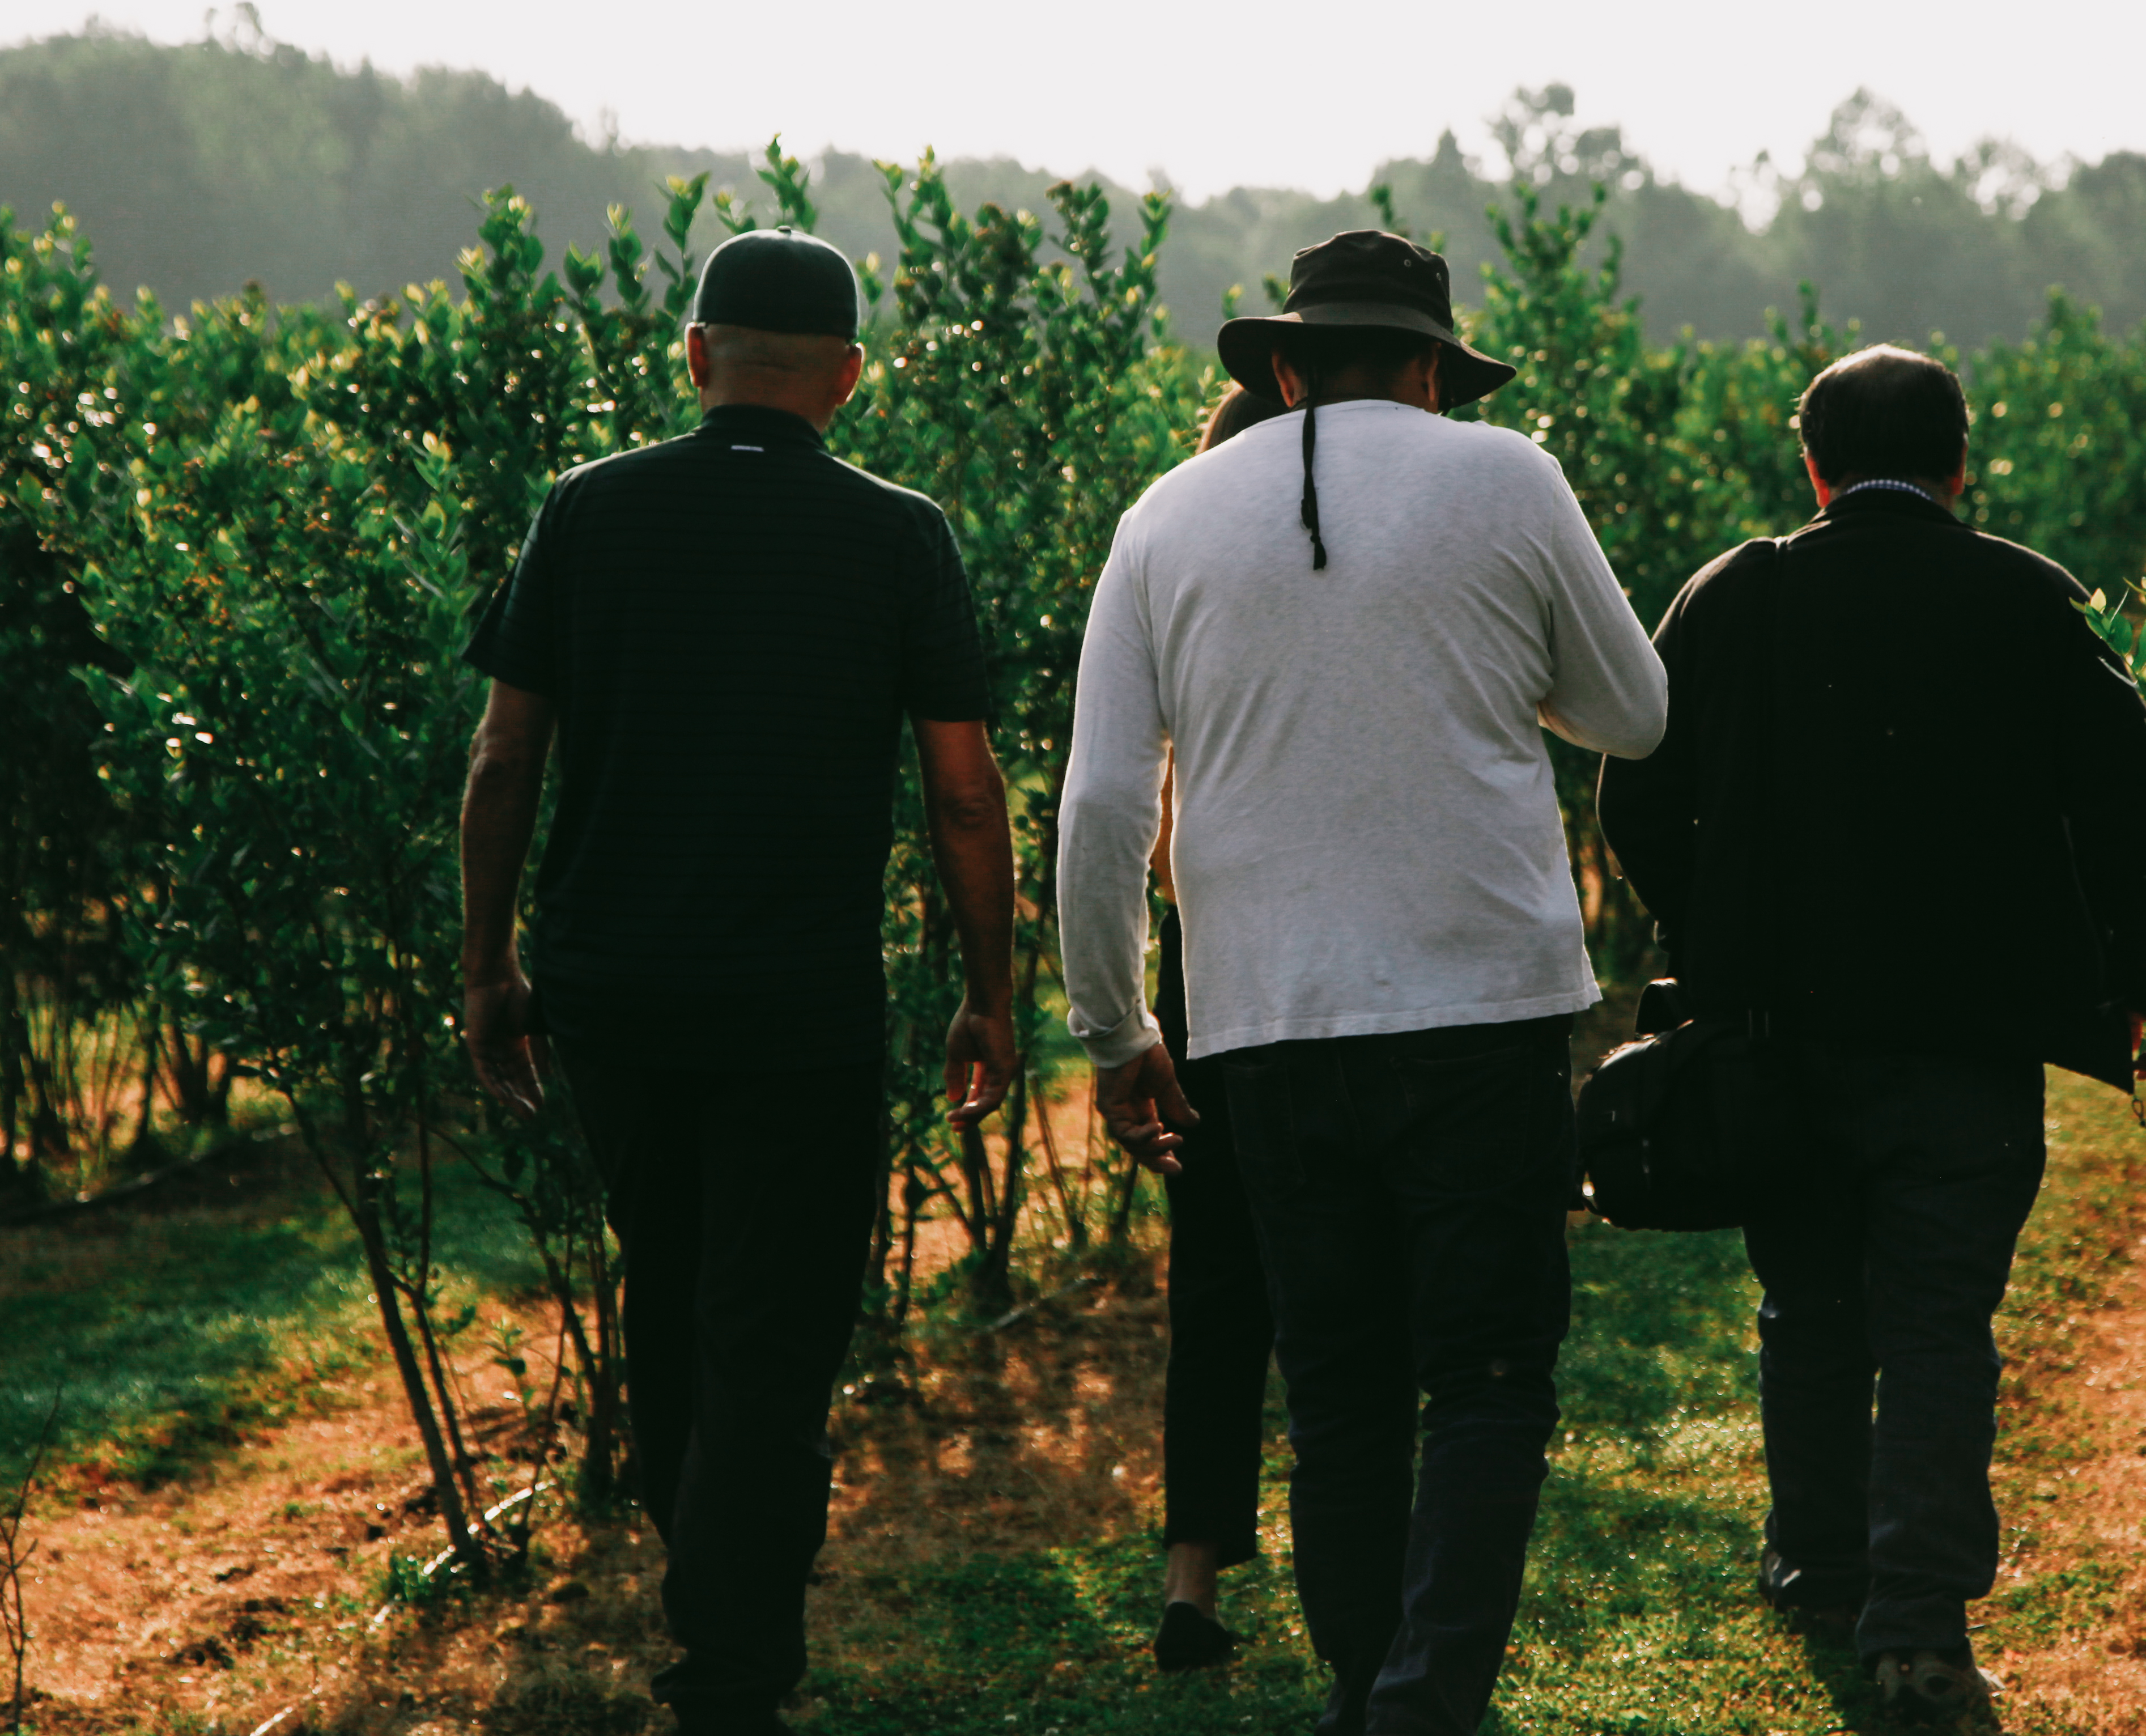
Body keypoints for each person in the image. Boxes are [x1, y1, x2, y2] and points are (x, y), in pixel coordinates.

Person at [1058, 228, 1667, 1736]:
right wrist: (1478, 661)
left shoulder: (1164, 519)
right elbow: (1634, 714)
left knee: (1336, 1391)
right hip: (1480, 1005)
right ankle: (1417, 1706)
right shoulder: (1505, 477)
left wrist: (1117, 1023)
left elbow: (1099, 803)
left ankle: (1368, 1698)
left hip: (1263, 1021)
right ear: (1429, 367)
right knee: (1485, 1372)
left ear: (1279, 366)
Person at [456, 227, 1019, 1736]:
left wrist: (488, 962)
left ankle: (715, 1601)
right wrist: (991, 993)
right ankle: (733, 1668)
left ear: (695, 358)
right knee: (770, 1330)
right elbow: (964, 795)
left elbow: (506, 751)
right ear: (847, 378)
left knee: (670, 1284)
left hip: (616, 997)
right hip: (798, 1008)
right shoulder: (899, 538)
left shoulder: (587, 512)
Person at [1596, 344, 2146, 1730]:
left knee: (1809, 1306)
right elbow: (2129, 802)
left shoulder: (1732, 599)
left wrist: (1711, 932)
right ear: (1958, 462)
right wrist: (2143, 977)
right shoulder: (2031, 598)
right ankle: (1916, 1630)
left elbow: (1637, 797)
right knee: (1937, 1326)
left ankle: (1818, 1568)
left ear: (1810, 464)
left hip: (1770, 1041)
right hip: (1966, 1050)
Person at [1124, 382, 1289, 1673]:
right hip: (1327, 970)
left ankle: (1193, 1575)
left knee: (1216, 1283)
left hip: (1208, 972)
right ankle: (1379, 1562)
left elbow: (1159, 837)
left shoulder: (1182, 583)